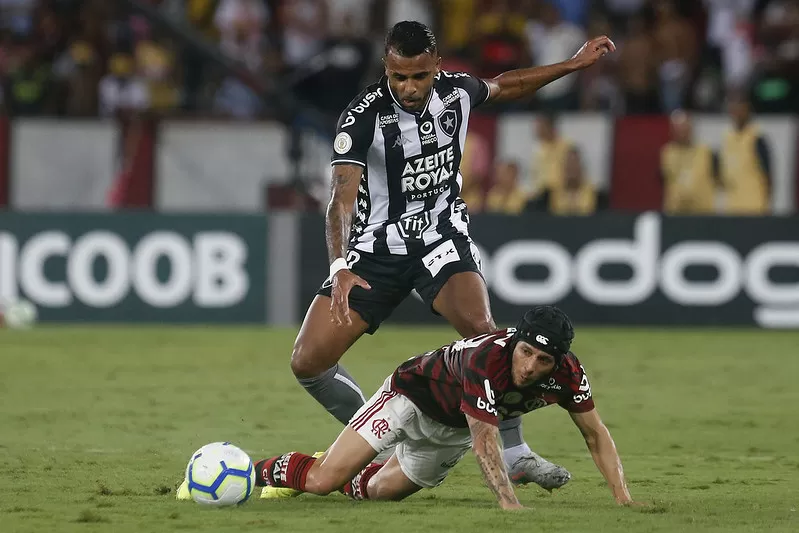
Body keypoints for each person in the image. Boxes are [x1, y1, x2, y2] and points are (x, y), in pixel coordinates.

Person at [284, 20, 615, 497]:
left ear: (436, 67)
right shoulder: (361, 118)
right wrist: (339, 266)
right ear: (387, 68)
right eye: (399, 77)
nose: (409, 87)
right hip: (376, 251)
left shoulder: (457, 92)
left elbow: (510, 84)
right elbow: (340, 197)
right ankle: (370, 442)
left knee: (485, 333)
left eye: (418, 76)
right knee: (307, 361)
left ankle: (515, 452)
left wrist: (573, 63)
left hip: (440, 239)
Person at [249, 306, 640, 510]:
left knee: (377, 491)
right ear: (515, 342)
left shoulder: (570, 374)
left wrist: (623, 498)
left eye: (543, 361)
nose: (529, 367)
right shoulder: (487, 359)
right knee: (322, 483)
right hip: (408, 399)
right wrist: (509, 504)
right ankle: (249, 472)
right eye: (526, 352)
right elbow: (485, 441)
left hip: (450, 433)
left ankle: (337, 463)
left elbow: (595, 434)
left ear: (560, 361)